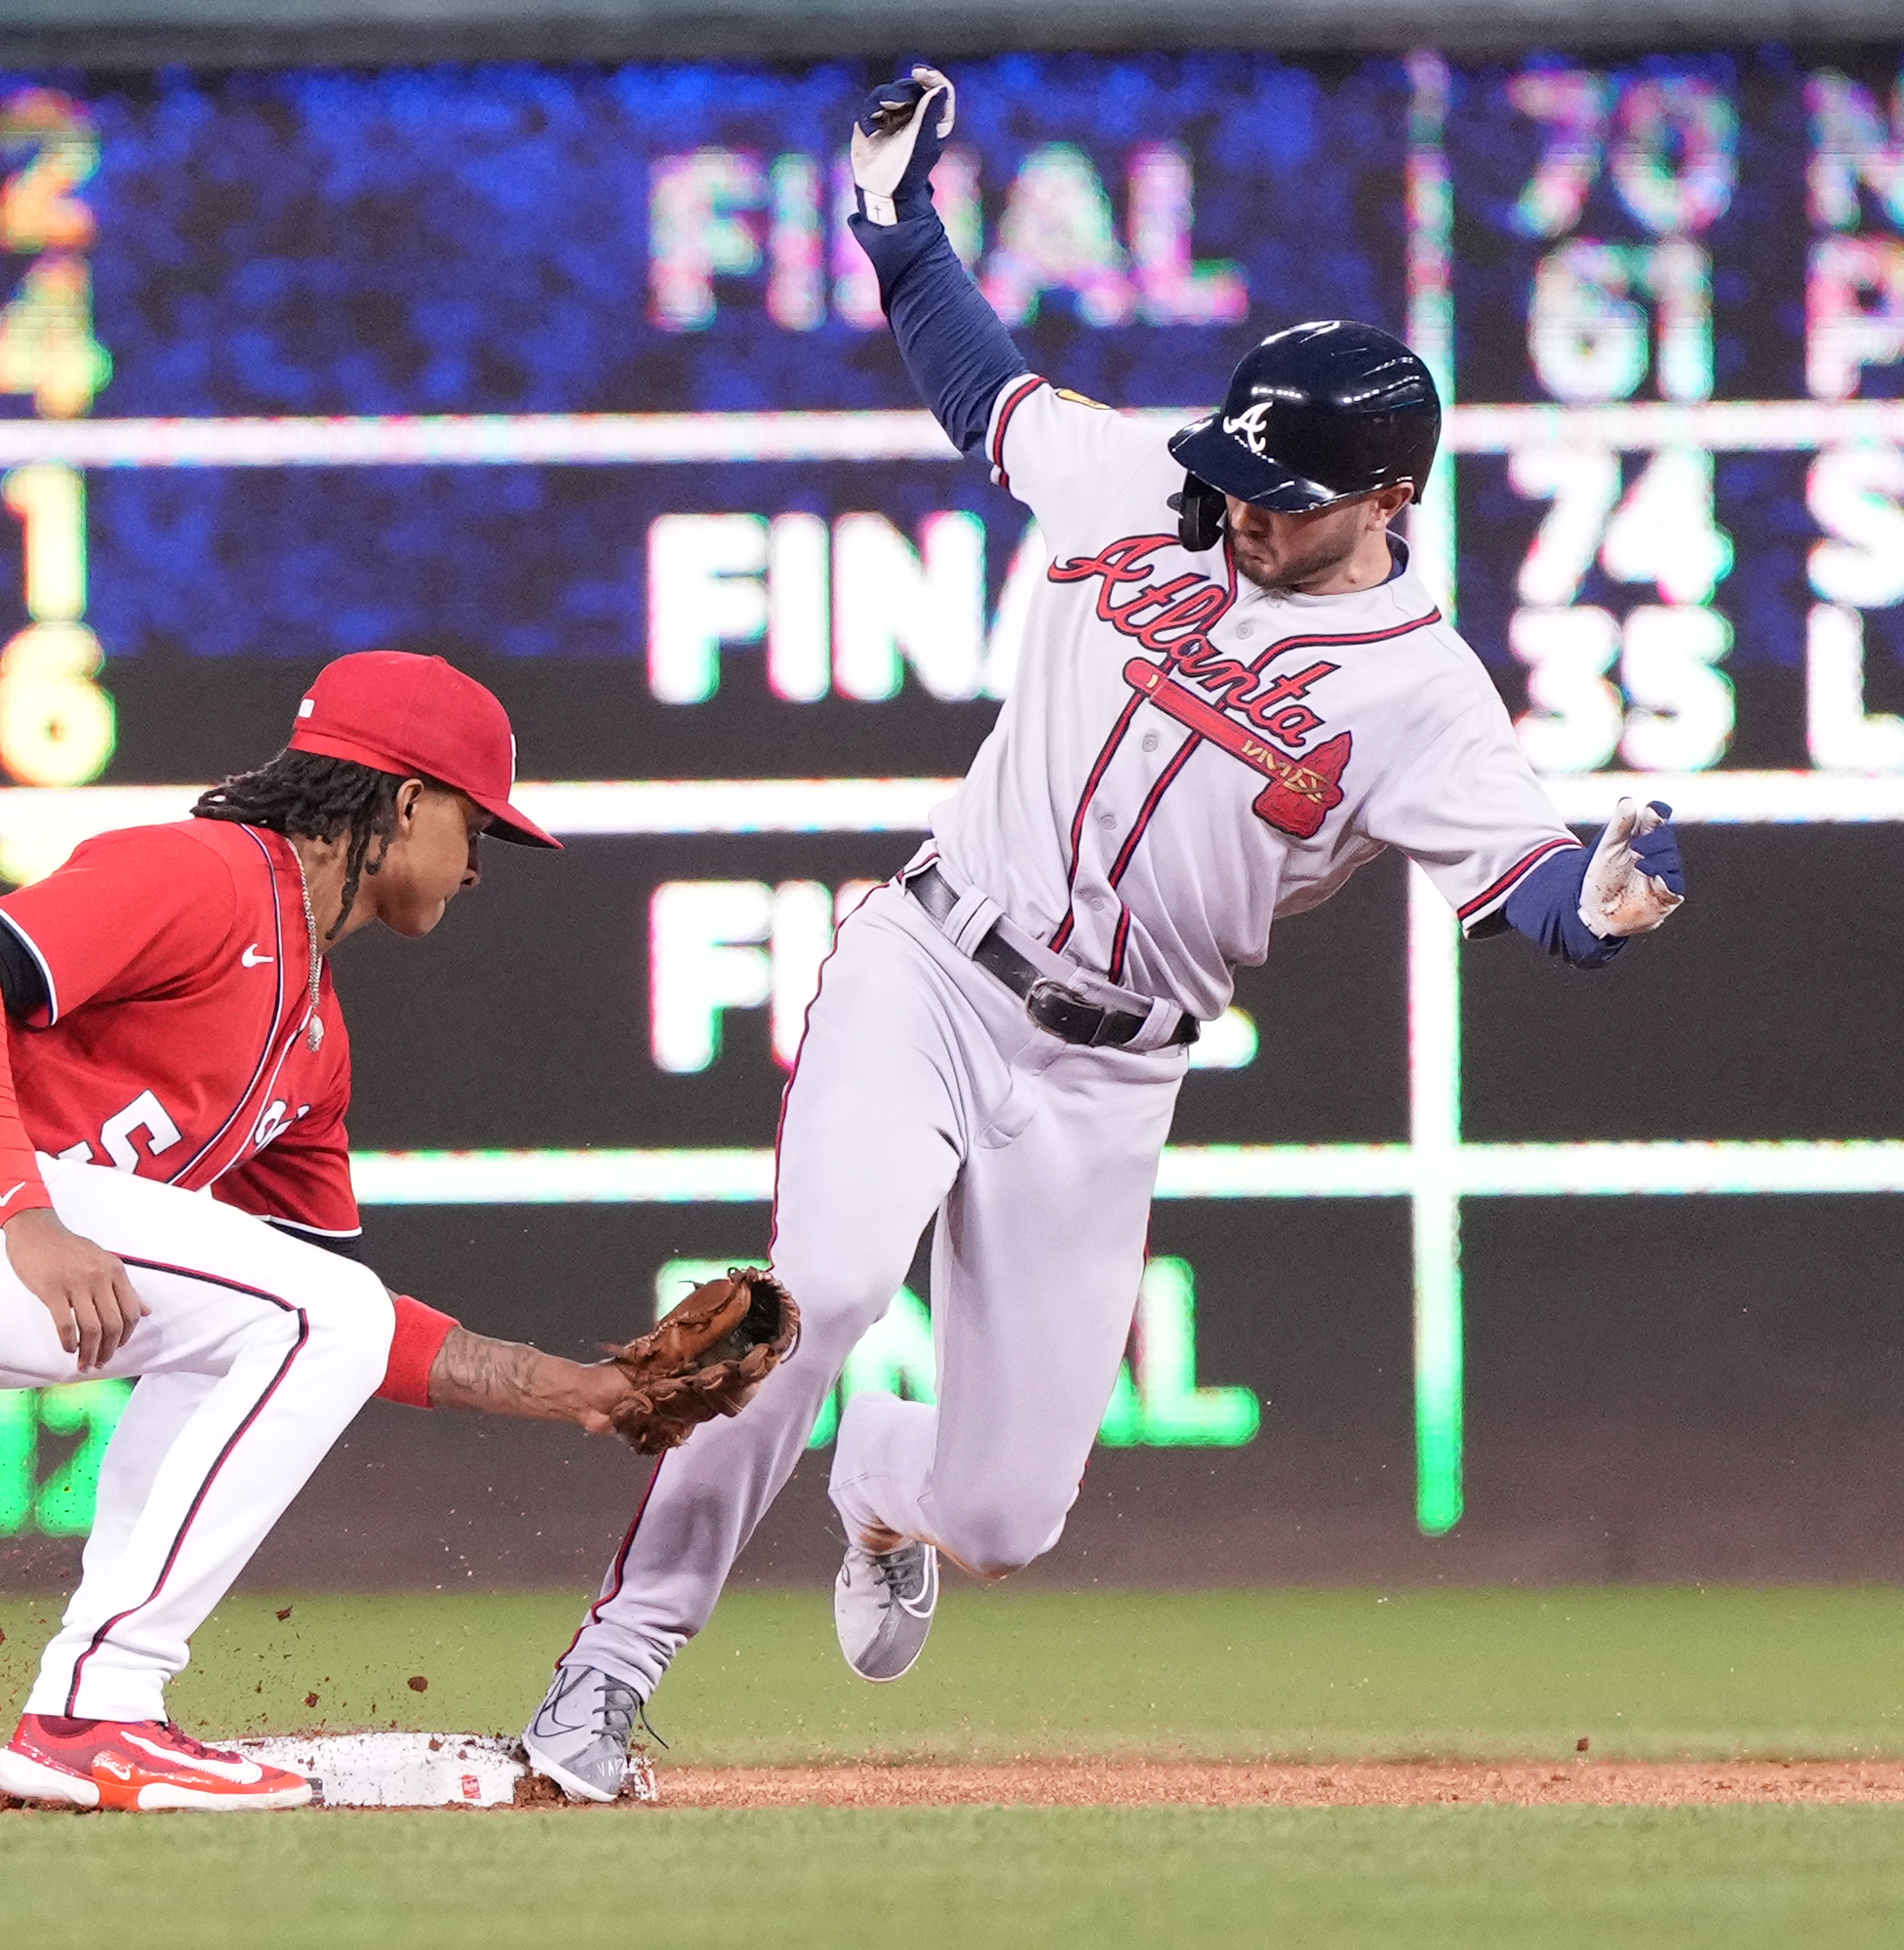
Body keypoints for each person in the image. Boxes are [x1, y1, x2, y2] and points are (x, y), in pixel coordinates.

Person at [518, 65, 1688, 1802]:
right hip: (927, 966)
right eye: (1239, 471)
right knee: (816, 1292)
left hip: (1104, 1070)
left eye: (1287, 491)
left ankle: (886, 1486)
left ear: (1393, 497)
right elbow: (980, 389)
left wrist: (1597, 904)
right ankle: (605, 1679)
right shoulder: (1146, 484)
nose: (1244, 505)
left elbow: (1527, 890)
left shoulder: (1428, 698)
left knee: (1010, 1512)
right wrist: (894, 225)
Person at [0, 650, 644, 1812]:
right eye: (480, 826)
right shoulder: (211, 870)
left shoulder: (315, 1045)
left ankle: (102, 1699)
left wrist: (570, 1388)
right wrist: (28, 1208)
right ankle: (92, 1712)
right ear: (409, 801)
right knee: (315, 1314)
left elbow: (331, 1321)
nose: (480, 867)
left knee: (269, 1329)